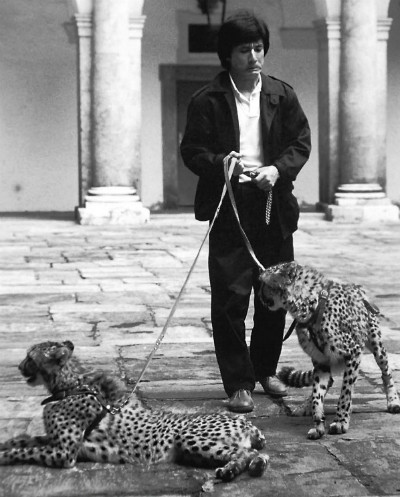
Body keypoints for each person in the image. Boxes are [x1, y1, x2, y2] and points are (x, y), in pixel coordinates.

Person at [180, 10, 311, 413]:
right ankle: (238, 383)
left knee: (274, 295)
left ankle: (265, 370)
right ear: (228, 55)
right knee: (230, 298)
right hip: (229, 206)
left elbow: (300, 142)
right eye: (244, 50)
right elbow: (192, 151)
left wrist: (277, 169)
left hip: (273, 206)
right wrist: (223, 164)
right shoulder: (207, 100)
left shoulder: (282, 94)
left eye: (258, 48)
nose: (254, 56)